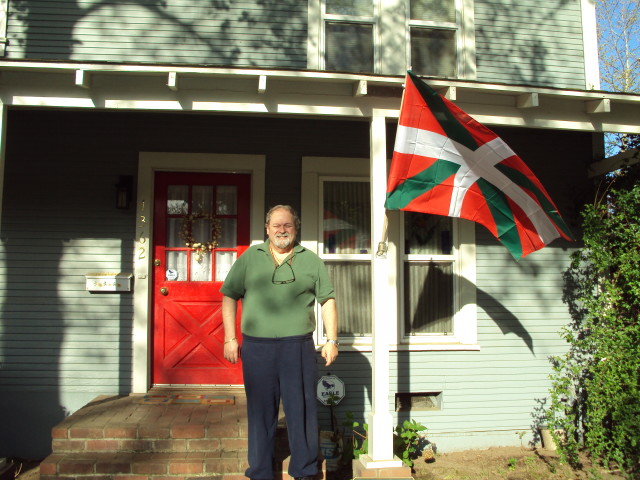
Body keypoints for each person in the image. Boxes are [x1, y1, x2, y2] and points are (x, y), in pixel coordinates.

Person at [221, 204, 339, 480]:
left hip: (297, 347)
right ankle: (261, 471)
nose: (282, 230)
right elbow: (229, 296)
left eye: (287, 225)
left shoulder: (311, 260)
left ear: (296, 229)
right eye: (276, 225)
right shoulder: (250, 258)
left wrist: (332, 339)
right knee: (261, 411)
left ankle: (306, 470)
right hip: (257, 347)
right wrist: (230, 338)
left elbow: (328, 300)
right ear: (267, 229)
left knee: (302, 410)